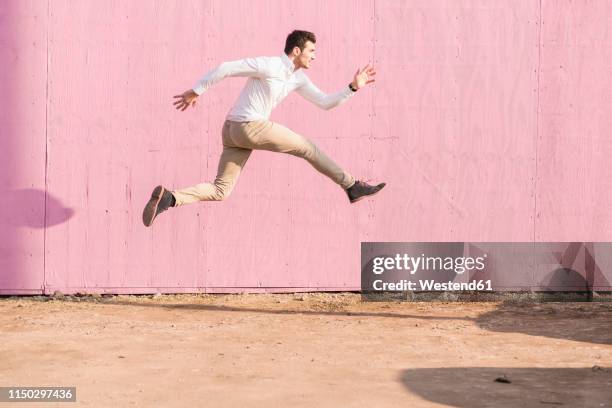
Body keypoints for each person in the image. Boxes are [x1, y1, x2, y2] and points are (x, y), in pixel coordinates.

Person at [143, 30, 385, 227]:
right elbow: (226, 67)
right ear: (297, 50)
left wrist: (353, 87)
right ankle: (352, 185)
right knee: (307, 147)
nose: (315, 56)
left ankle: (170, 198)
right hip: (248, 126)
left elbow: (324, 102)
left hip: (232, 133)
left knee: (221, 190)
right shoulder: (269, 65)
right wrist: (197, 90)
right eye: (312, 51)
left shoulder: (298, 78)